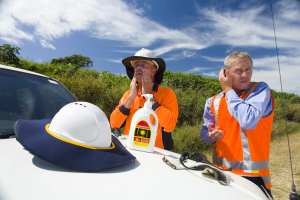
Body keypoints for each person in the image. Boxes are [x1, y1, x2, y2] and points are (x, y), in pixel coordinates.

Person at [200, 51, 274, 199]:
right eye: (238, 71)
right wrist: (210, 136)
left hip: (252, 176)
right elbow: (204, 135)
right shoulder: (213, 101)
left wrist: (228, 90)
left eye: (248, 70)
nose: (245, 75)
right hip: (220, 172)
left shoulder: (259, 90)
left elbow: (248, 120)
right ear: (225, 73)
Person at [110, 48, 178, 150]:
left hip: (156, 153)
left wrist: (149, 96)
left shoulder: (166, 93)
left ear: (154, 71)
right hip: (130, 150)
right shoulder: (128, 94)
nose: (138, 68)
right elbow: (114, 124)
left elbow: (170, 125)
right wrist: (132, 96)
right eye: (136, 65)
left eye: (143, 65)